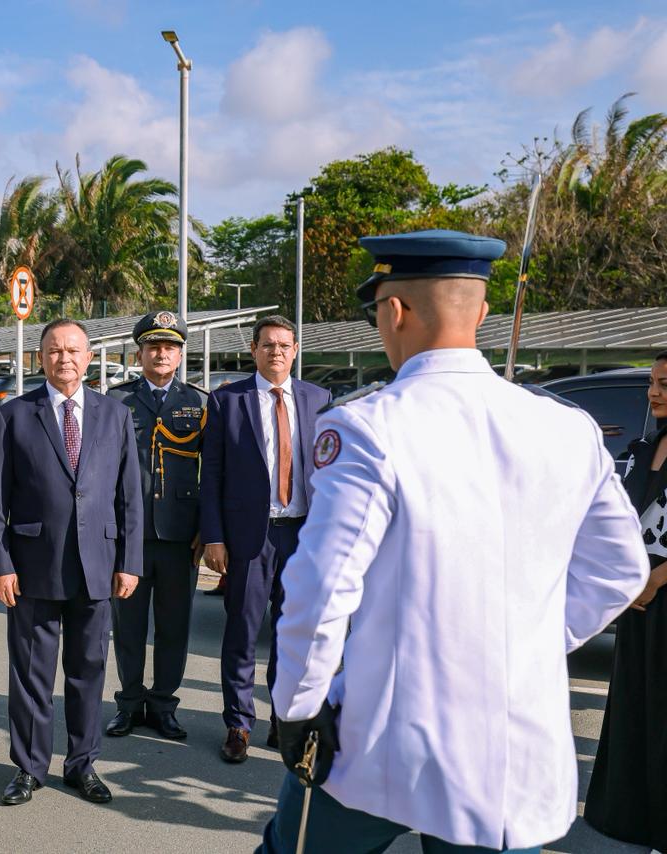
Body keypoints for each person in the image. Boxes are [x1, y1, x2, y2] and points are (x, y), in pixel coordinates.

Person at [258, 230, 649, 853]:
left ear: (394, 310)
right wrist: (529, 643)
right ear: (484, 312)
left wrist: (297, 707)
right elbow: (620, 572)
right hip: (510, 754)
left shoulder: (368, 427)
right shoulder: (569, 429)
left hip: (379, 736)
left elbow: (322, 586)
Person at [0, 318, 142, 806]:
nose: (64, 358)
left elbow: (130, 495)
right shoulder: (14, 415)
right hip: (31, 565)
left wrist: (129, 560)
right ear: (40, 358)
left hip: (98, 564)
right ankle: (29, 769)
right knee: (31, 673)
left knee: (88, 669)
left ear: (89, 358)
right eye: (54, 351)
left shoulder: (114, 414)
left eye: (73, 350)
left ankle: (82, 764)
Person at [199, 315, 329, 763]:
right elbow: (210, 475)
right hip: (246, 539)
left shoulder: (320, 399)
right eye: (268, 344)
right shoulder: (226, 401)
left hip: (302, 536)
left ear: (295, 350)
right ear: (253, 350)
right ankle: (238, 724)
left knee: (291, 636)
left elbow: (331, 471)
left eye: (284, 344)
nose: (276, 352)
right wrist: (213, 537)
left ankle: (282, 721)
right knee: (241, 631)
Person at [104, 311, 207, 741]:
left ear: (181, 354)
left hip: (181, 534)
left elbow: (212, 470)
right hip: (129, 534)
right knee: (127, 625)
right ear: (140, 353)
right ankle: (128, 703)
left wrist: (209, 529)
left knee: (173, 625)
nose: (161, 353)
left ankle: (164, 703)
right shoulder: (115, 400)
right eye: (153, 346)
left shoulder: (201, 402)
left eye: (169, 347)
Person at [584, 351, 667, 851]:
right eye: (654, 382)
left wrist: (657, 579)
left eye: (666, 383)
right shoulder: (643, 447)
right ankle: (634, 816)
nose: (654, 391)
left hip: (660, 590)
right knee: (638, 707)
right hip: (638, 601)